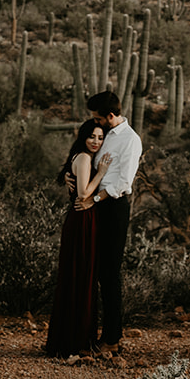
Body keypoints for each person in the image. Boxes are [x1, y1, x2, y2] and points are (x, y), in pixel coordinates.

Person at [43, 119, 113, 358]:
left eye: (100, 138)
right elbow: (83, 193)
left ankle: (71, 338)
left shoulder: (81, 157)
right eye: (92, 136)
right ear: (83, 137)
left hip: (82, 220)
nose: (96, 142)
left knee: (78, 275)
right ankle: (75, 341)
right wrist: (101, 173)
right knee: (81, 275)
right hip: (82, 220)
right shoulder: (83, 158)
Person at [85, 89, 143, 357]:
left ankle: (111, 339)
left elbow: (123, 183)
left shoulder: (130, 140)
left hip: (112, 207)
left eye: (98, 118)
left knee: (110, 273)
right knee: (97, 272)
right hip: (97, 205)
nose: (95, 122)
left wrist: (94, 198)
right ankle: (98, 335)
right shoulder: (105, 135)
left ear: (110, 115)